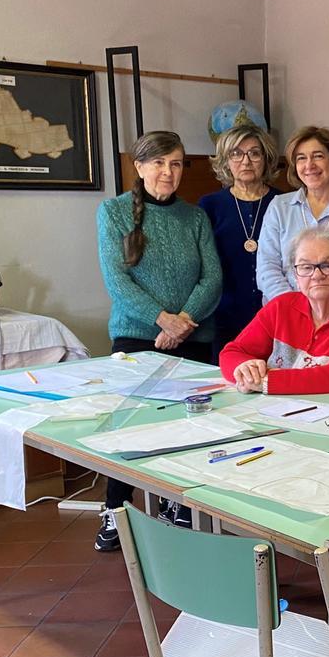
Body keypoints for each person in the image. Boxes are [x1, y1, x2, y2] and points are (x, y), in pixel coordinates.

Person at [94, 131, 221, 552]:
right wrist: (161, 320)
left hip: (195, 335)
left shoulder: (195, 216)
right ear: (140, 166)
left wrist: (183, 321)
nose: (169, 172)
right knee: (129, 426)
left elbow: (212, 278)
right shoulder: (113, 214)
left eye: (177, 164)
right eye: (160, 163)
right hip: (137, 336)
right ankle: (115, 510)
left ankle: (177, 505)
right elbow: (117, 280)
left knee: (190, 426)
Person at [219, 229, 329, 396]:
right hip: (277, 413)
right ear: (296, 276)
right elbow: (232, 353)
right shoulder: (280, 307)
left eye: (328, 266)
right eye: (306, 267)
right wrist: (244, 369)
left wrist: (266, 382)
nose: (317, 275)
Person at [199, 125, 282, 355]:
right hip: (225, 317)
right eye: (236, 153)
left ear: (266, 159)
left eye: (254, 153)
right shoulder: (209, 206)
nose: (245, 161)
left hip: (276, 317)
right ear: (225, 161)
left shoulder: (284, 202)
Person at [257, 126, 329, 301]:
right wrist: (297, 307)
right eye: (301, 158)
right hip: (287, 311)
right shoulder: (280, 207)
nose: (309, 165)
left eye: (318, 156)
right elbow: (267, 267)